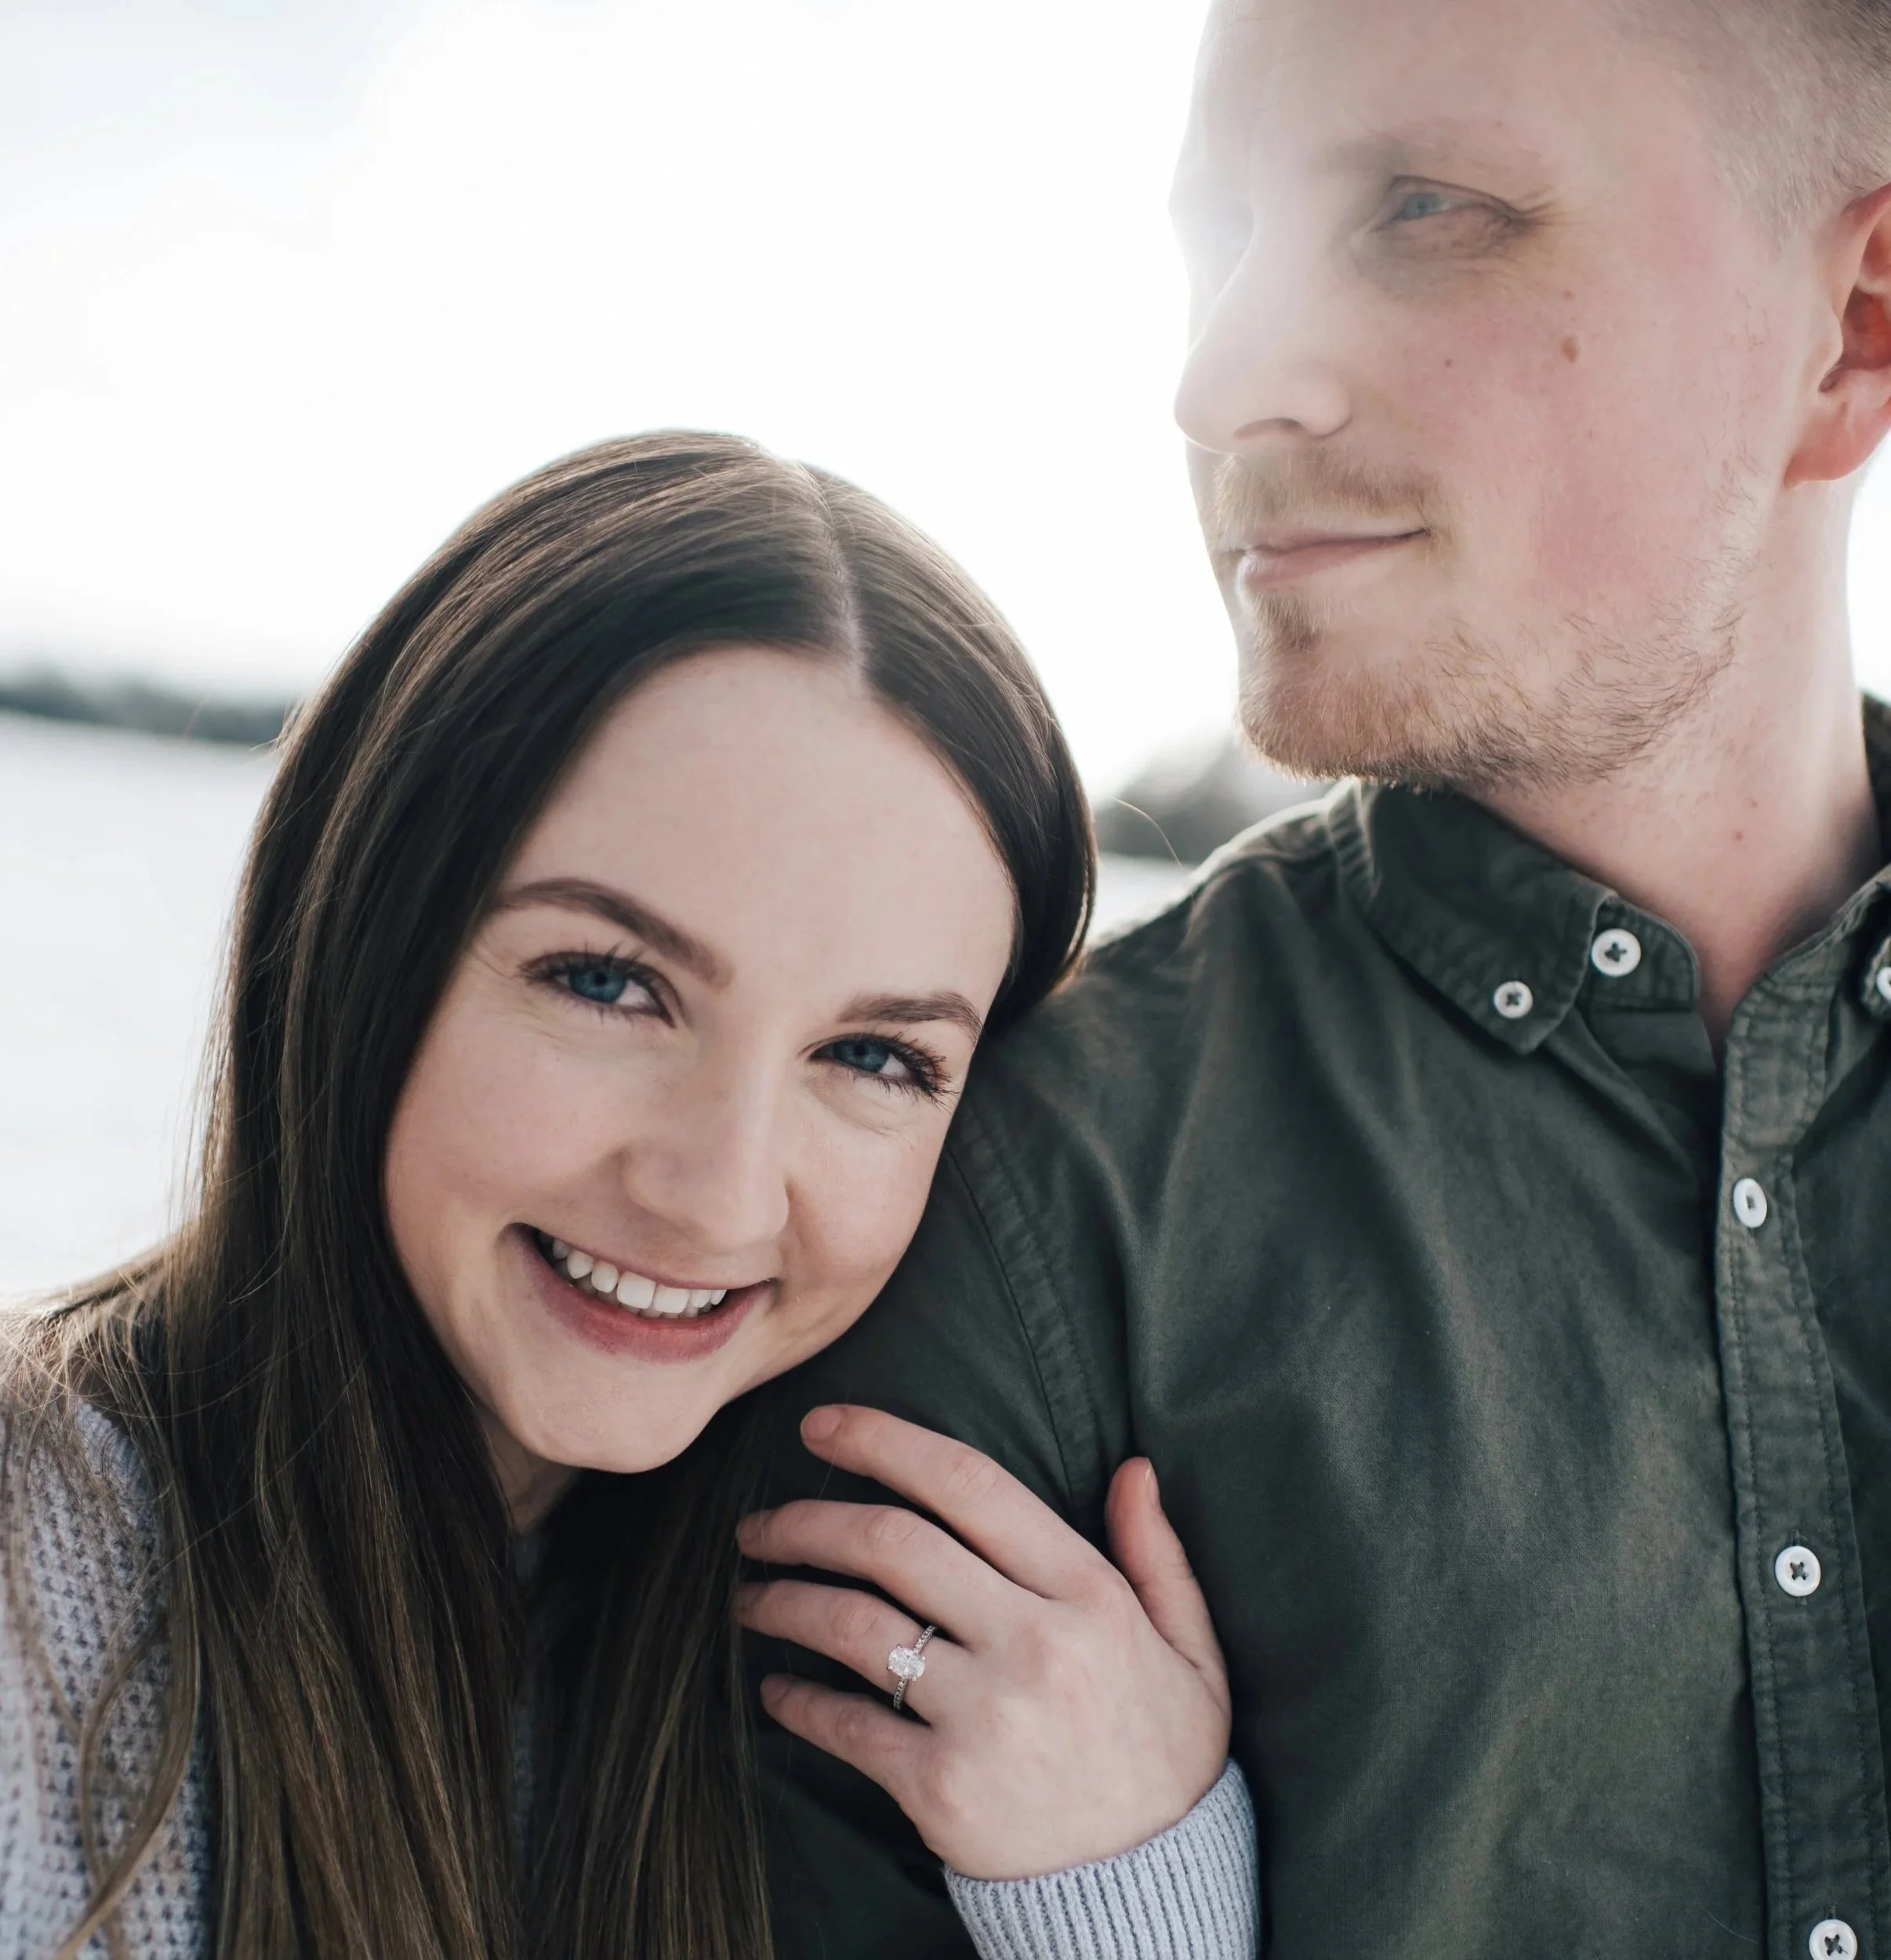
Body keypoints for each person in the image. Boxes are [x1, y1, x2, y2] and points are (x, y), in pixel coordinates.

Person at [744, 0, 1891, 1954]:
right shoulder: (1026, 1193)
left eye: (1428, 207)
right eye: (1221, 239)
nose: (1218, 380)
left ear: (1850, 327)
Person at [0, 434, 1259, 1960]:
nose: (714, 1193)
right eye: (608, 979)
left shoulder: (867, 1724)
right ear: (360, 930)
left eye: (875, 1054)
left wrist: (1125, 1887)